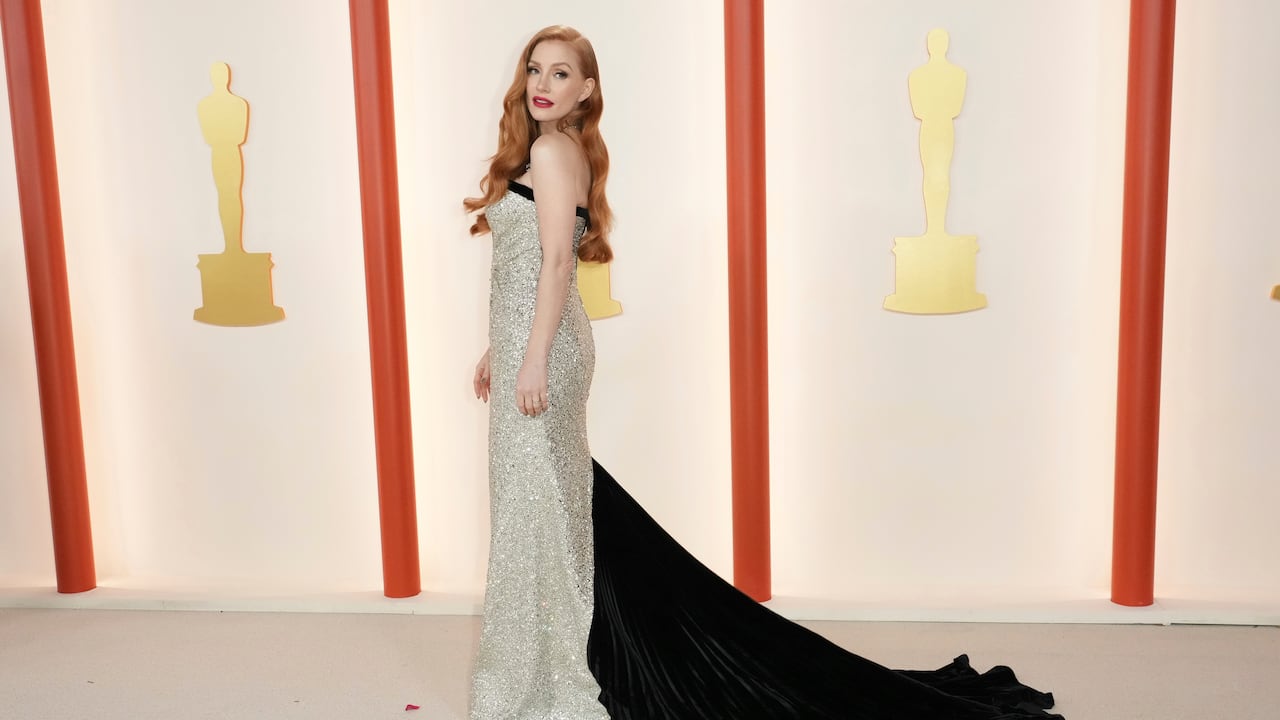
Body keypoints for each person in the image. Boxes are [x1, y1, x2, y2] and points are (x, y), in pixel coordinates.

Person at [464, 25, 1064, 720]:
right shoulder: (557, 149)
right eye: (535, 69)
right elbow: (528, 269)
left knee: (537, 508)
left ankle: (539, 678)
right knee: (544, 505)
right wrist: (502, 346)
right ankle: (547, 665)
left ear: (587, 89)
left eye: (561, 73)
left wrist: (534, 355)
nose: (542, 84)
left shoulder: (551, 151)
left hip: (546, 353)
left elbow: (556, 264)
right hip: (535, 344)